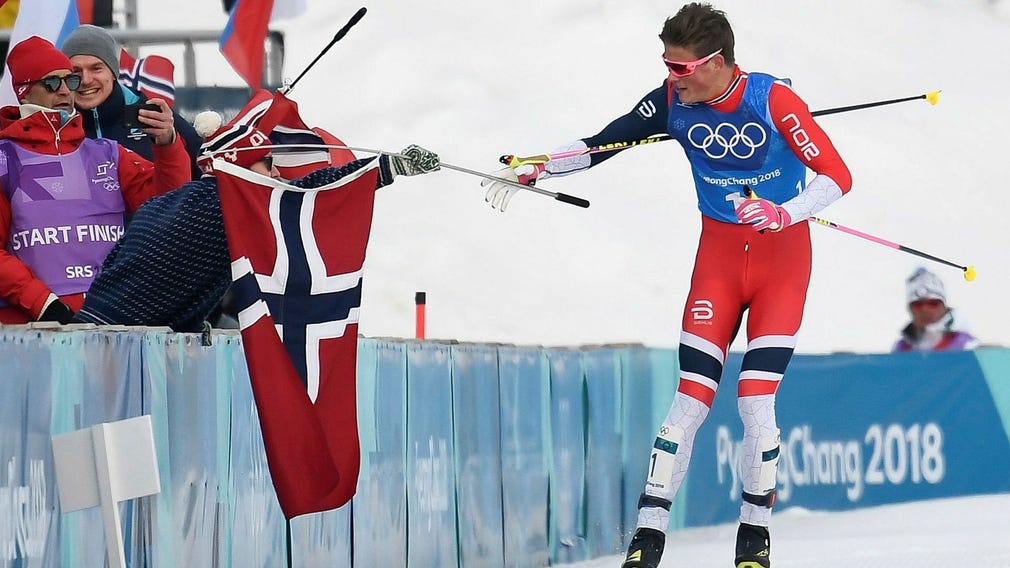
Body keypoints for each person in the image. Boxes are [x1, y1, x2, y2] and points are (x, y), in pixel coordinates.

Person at [481, 4, 852, 567]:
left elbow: (837, 177)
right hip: (719, 262)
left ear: (717, 63)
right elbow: (603, 143)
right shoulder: (672, 101)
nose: (671, 79)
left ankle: (754, 537)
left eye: (681, 68)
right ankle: (647, 538)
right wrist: (540, 165)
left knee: (755, 401)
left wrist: (784, 213)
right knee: (689, 400)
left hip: (782, 262)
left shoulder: (774, 101)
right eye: (666, 65)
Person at [72, 101, 440, 332]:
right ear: (239, 172)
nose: (278, 175)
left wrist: (190, 321)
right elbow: (310, 190)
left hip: (92, 332)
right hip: (111, 345)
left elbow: (118, 264)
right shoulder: (230, 202)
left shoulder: (179, 201)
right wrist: (389, 166)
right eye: (268, 166)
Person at [0, 36, 191, 324]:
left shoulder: (108, 153)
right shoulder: (5, 158)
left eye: (71, 82)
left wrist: (168, 145)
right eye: (52, 83)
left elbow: (167, 209)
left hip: (111, 319)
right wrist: (43, 304)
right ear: (24, 92)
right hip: (34, 327)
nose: (65, 90)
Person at [61, 24, 204, 180]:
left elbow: (206, 174)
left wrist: (169, 140)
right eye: (76, 72)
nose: (86, 80)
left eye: (96, 69)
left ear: (113, 72)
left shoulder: (148, 114)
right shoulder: (56, 123)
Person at [892, 267, 977, 352]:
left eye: (933, 303)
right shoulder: (901, 349)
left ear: (944, 307)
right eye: (917, 304)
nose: (925, 310)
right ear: (910, 308)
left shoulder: (966, 345)